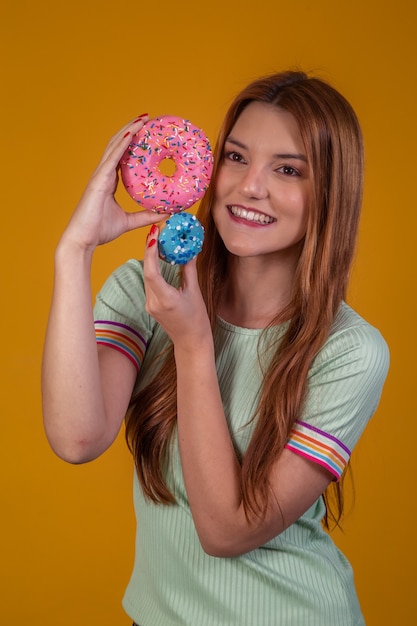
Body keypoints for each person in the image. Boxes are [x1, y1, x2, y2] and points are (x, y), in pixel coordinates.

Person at [42, 70, 390, 626]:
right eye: (235, 157)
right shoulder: (145, 292)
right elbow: (77, 438)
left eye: (287, 169)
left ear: (329, 191)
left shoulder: (349, 352)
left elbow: (227, 532)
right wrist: (74, 249)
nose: (250, 186)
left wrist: (194, 345)